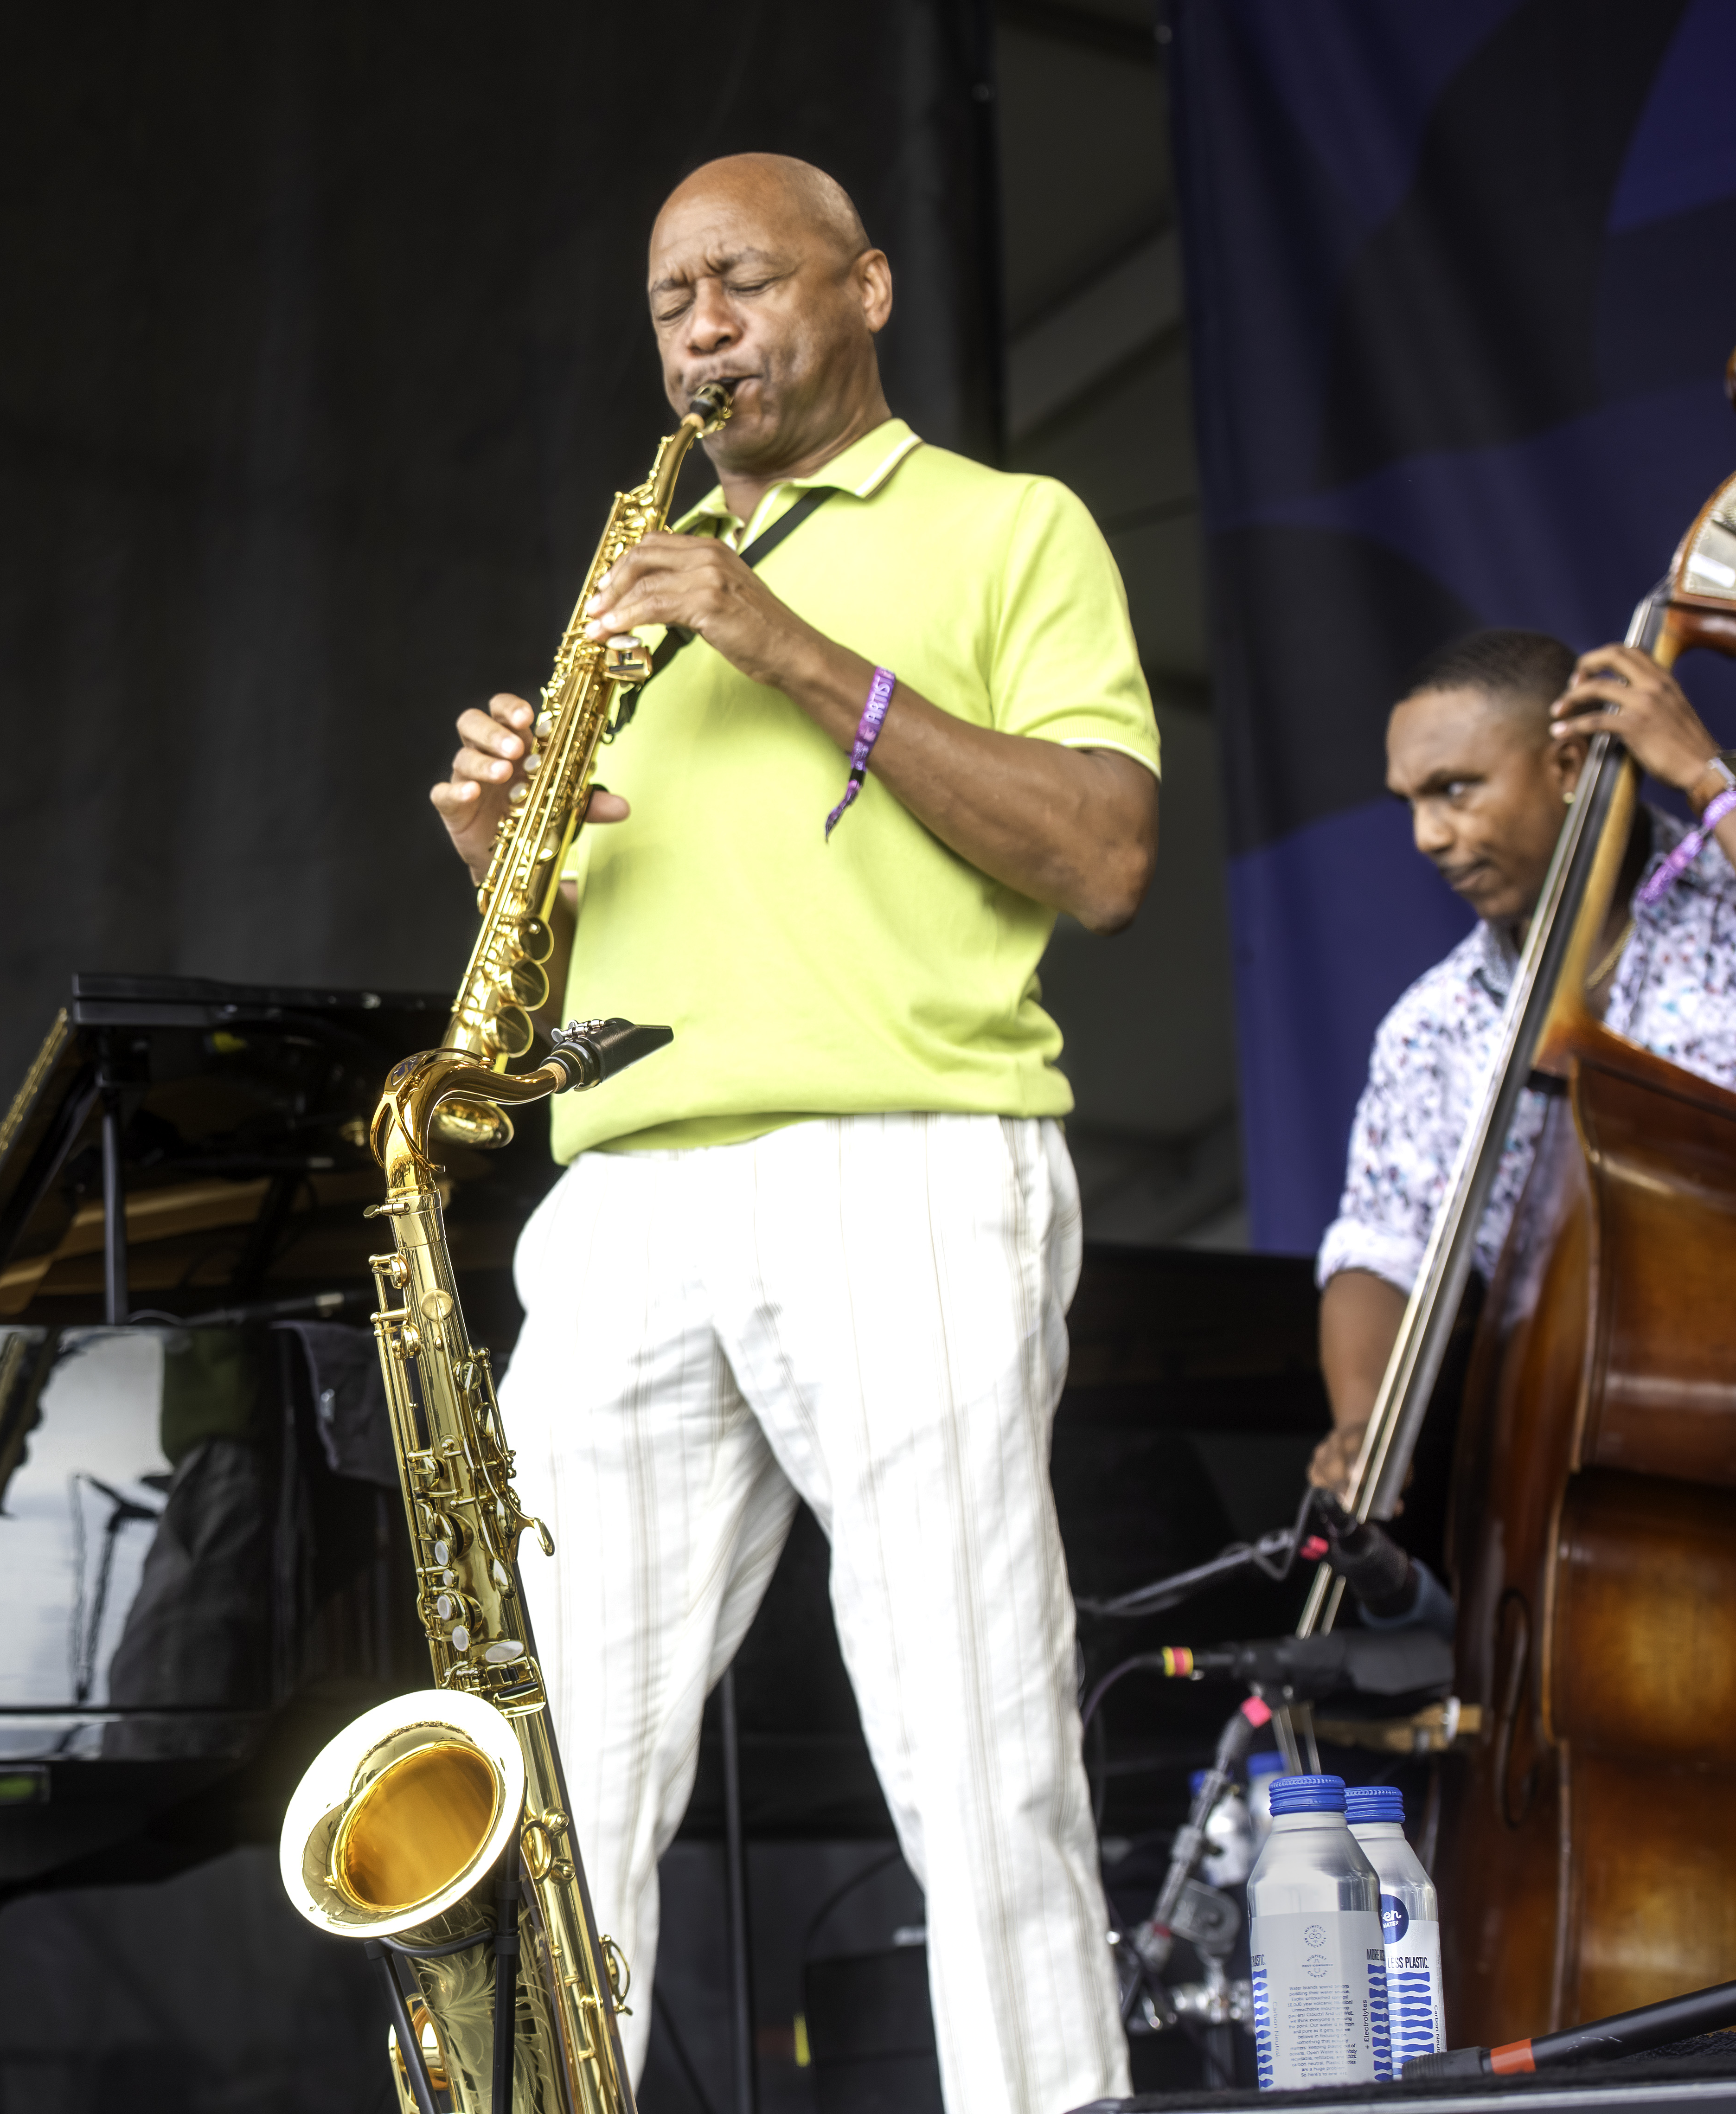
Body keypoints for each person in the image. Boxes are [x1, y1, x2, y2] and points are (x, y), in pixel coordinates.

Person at [429, 155, 1159, 2114]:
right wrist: (496, 846)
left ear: (870, 285)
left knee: (970, 1722)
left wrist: (781, 638)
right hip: (623, 1187)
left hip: (897, 1157)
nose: (699, 327)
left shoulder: (1007, 526)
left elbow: (1101, 855)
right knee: (547, 1754)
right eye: (669, 299)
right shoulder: (633, 585)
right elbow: (548, 959)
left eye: (740, 280)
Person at [1310, 630, 1736, 1496]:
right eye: (1410, 803)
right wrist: (1361, 1420)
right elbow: (1381, 1242)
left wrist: (1703, 775)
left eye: (1455, 789)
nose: (1428, 835)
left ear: (1568, 764)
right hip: (1587, 1481)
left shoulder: (1719, 898)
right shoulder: (1429, 1027)